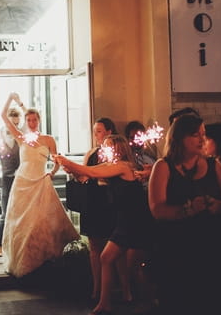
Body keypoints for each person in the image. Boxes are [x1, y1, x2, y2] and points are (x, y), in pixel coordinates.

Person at [148, 114, 221, 315]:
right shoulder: (163, 167)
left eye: (204, 134)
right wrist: (188, 209)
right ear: (179, 138)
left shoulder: (213, 165)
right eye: (195, 135)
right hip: (177, 249)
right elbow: (157, 209)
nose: (202, 140)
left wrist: (217, 205)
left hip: (211, 249)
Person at [56, 135, 153, 315]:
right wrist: (69, 168)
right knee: (107, 258)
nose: (103, 150)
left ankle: (151, 301)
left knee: (134, 266)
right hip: (124, 220)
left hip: (136, 220)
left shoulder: (124, 166)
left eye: (107, 146)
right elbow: (87, 174)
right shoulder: (110, 166)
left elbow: (91, 172)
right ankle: (105, 303)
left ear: (118, 149)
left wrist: (67, 161)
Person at [0, 92, 79, 277]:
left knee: (41, 220)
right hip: (23, 182)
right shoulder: (21, 137)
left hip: (40, 180)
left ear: (39, 120)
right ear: (25, 121)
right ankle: (22, 259)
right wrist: (12, 98)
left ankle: (44, 260)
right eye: (28, 120)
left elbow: (57, 160)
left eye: (34, 119)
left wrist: (51, 173)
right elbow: (3, 116)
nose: (31, 122)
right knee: (22, 222)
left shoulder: (48, 139)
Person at [74, 118, 117, 303]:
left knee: (114, 246)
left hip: (108, 203)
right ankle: (96, 288)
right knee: (94, 247)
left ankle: (120, 288)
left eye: (99, 131)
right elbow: (84, 176)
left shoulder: (115, 154)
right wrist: (76, 174)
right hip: (91, 203)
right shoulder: (91, 153)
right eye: (94, 131)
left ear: (109, 131)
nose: (96, 135)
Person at [0, 107, 23, 257]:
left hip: (21, 178)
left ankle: (16, 245)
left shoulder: (21, 134)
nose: (15, 127)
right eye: (12, 123)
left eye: (17, 124)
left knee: (20, 212)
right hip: (5, 177)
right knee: (5, 212)